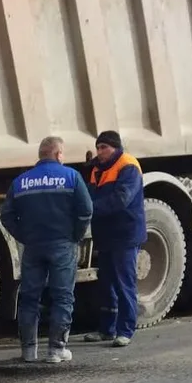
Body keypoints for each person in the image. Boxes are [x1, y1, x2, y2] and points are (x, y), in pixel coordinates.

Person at [0, 136, 93, 364]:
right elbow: (86, 210)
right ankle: (56, 350)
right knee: (62, 297)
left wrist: (24, 236)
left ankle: (28, 351)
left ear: (41, 154)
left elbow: (6, 215)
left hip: (33, 246)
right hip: (62, 244)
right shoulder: (71, 177)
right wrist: (76, 235)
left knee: (29, 297)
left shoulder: (21, 181)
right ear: (59, 154)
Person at [83, 130, 146, 347]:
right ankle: (107, 329)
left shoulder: (128, 166)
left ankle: (125, 330)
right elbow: (90, 194)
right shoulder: (97, 170)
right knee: (106, 282)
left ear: (116, 148)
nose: (100, 152)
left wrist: (89, 209)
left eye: (104, 147)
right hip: (106, 234)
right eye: (98, 147)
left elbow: (121, 199)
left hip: (125, 234)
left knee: (124, 282)